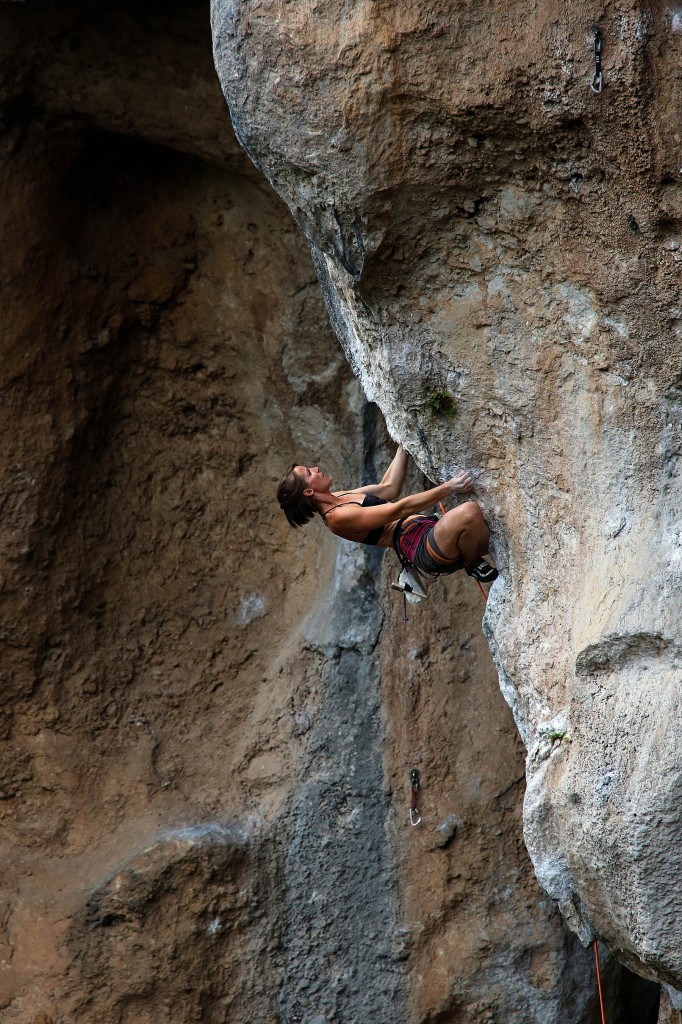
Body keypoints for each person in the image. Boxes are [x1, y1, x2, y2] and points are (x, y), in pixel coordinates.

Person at [276, 446, 498, 585]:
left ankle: (471, 557)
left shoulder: (340, 496)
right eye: (309, 473)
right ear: (308, 491)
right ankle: (472, 563)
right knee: (469, 512)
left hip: (429, 531)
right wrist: (449, 487)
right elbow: (397, 509)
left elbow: (389, 488)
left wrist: (404, 444)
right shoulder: (337, 518)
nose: (315, 468)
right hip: (422, 546)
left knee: (498, 529)